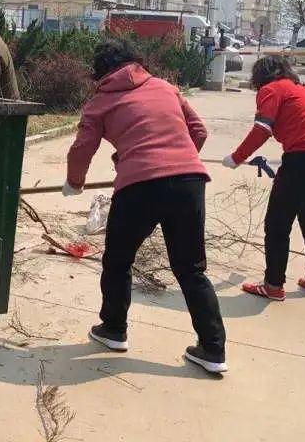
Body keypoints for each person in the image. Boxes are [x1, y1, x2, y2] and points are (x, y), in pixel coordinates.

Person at [63, 39, 228, 374]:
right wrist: (175, 159)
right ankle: (213, 349)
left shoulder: (101, 101)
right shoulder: (166, 87)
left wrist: (75, 182)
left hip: (140, 187)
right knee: (191, 269)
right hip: (189, 182)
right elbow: (198, 131)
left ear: (102, 73)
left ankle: (113, 329)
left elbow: (82, 148)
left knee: (119, 260)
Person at [223, 55, 305, 301]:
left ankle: (273, 285)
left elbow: (262, 129)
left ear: (260, 76)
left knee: (278, 224)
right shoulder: (302, 91)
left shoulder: (271, 89)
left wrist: (236, 157)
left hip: (303, 162)